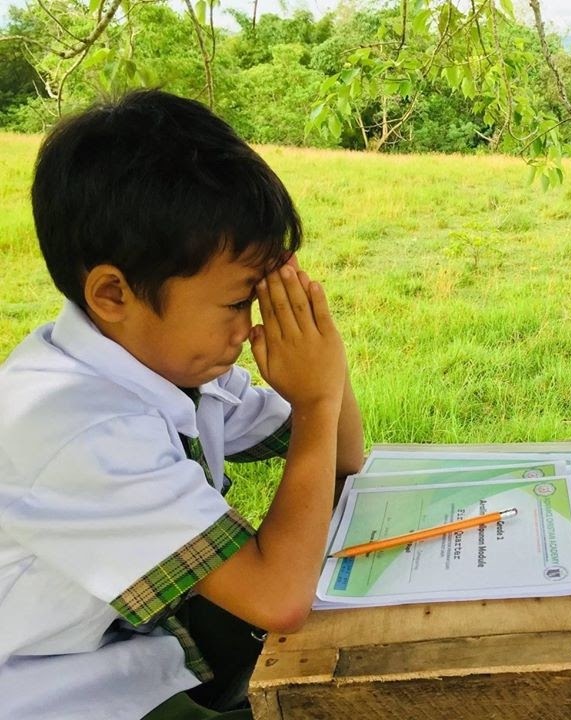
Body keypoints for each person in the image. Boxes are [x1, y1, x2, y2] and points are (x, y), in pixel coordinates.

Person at [0, 89, 364, 720]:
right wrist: (317, 398)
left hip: (134, 647)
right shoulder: (77, 429)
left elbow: (346, 455)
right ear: (113, 294)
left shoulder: (175, 365)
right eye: (237, 304)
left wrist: (319, 364)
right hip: (49, 687)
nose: (247, 329)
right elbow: (278, 597)